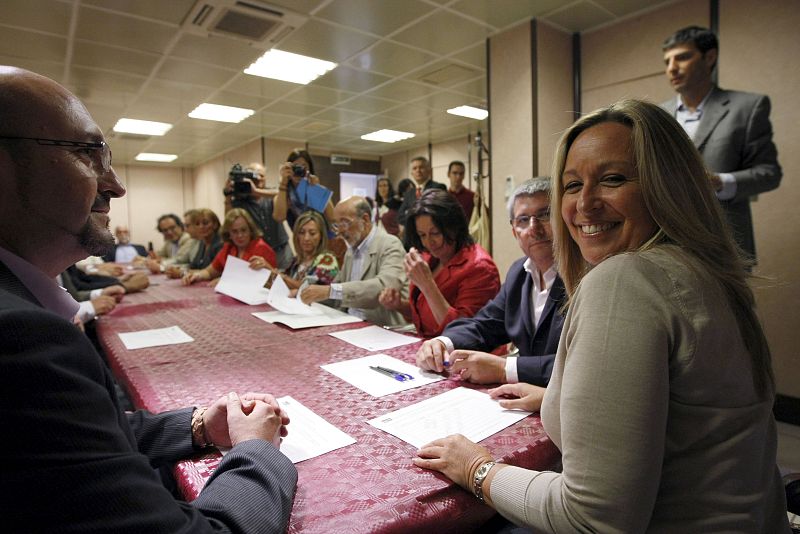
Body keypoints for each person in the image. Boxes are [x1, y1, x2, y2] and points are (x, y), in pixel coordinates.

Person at [413, 99, 790, 532]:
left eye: (612, 179)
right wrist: (557, 395)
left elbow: (594, 520)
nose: (585, 204)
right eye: (572, 185)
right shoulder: (708, 271)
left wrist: (475, 468)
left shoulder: (623, 279)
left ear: (668, 186)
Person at [0, 66, 297, 532]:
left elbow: (88, 440)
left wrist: (200, 424)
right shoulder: (22, 340)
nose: (115, 184)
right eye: (86, 153)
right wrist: (255, 450)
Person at [416, 178, 565, 392]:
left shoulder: (586, 276)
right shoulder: (519, 273)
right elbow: (484, 325)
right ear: (514, 231)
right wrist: (442, 343)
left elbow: (583, 365)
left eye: (545, 215)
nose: (534, 228)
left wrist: (505, 368)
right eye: (523, 219)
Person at [661, 25, 781, 262]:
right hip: (668, 242)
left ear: (710, 57)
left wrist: (720, 182)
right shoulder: (658, 114)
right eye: (667, 61)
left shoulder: (748, 107)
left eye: (682, 57)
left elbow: (769, 173)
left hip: (726, 243)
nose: (672, 68)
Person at [379, 189, 499, 338]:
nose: (429, 243)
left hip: (466, 355)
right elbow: (426, 314)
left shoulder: (479, 268)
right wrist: (399, 305)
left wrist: (427, 285)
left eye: (435, 233)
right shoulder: (431, 257)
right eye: (422, 235)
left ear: (454, 226)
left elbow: (464, 333)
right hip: (429, 345)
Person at [299, 196, 407, 327]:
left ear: (365, 219)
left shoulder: (389, 244)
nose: (340, 230)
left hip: (380, 327)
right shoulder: (351, 250)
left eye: (344, 223)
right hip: (349, 322)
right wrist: (309, 293)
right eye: (336, 225)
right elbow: (336, 288)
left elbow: (384, 288)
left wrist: (330, 291)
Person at [225, 161, 294, 270]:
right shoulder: (242, 201)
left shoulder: (272, 194)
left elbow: (285, 194)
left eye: (261, 175)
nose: (258, 178)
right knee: (268, 283)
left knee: (286, 281)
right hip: (262, 253)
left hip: (283, 250)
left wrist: (256, 191)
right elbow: (229, 220)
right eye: (254, 175)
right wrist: (227, 195)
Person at [183, 208, 275, 286]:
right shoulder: (229, 247)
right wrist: (197, 275)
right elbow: (210, 272)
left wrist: (227, 281)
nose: (240, 235)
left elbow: (269, 284)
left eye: (243, 230)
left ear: (250, 230)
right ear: (229, 234)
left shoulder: (261, 248)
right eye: (235, 232)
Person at [273, 149, 335, 229]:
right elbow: (279, 218)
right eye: (295, 166)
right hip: (300, 238)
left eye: (303, 167)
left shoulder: (315, 187)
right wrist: (283, 183)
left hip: (322, 237)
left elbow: (333, 218)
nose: (299, 170)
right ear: (289, 168)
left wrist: (317, 189)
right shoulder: (285, 193)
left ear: (309, 169)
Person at [279, 210, 339, 290]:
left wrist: (279, 275)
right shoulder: (297, 260)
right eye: (301, 232)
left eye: (312, 233)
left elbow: (312, 291)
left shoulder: (328, 261)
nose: (306, 238)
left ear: (321, 236)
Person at [397, 156, 447, 226]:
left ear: (429, 171)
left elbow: (437, 213)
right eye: (415, 168)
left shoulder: (438, 188)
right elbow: (400, 216)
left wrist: (409, 213)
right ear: (412, 173)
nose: (418, 170)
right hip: (412, 234)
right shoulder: (409, 193)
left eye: (421, 167)